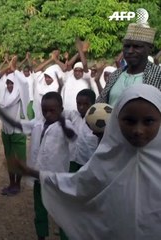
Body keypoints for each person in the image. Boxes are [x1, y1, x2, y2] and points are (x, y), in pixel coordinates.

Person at [17, 84, 161, 239]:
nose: (138, 130)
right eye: (129, 121)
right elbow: (77, 184)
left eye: (148, 121)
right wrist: (32, 172)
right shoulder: (107, 159)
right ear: (116, 121)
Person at [0, 91, 76, 240]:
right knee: (40, 210)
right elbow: (17, 124)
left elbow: (72, 136)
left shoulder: (66, 125)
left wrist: (62, 122)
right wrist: (0, 111)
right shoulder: (37, 123)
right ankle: (41, 235)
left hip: (57, 179)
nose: (48, 114)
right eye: (45, 110)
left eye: (52, 111)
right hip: (38, 178)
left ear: (61, 110)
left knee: (62, 213)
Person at [97, 22, 161, 105]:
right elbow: (100, 106)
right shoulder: (115, 76)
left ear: (150, 49)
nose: (130, 51)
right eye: (127, 46)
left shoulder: (158, 75)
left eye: (137, 46)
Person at [0, 58, 30, 196]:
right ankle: (11, 183)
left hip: (17, 131)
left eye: (12, 83)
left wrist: (14, 69)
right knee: (9, 158)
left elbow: (23, 82)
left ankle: (17, 184)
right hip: (6, 130)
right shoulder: (3, 94)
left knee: (20, 158)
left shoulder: (21, 94)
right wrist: (7, 68)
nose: (10, 85)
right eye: (8, 83)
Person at [64, 89, 98, 172]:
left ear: (93, 104)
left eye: (86, 104)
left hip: (88, 162)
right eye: (78, 104)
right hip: (72, 159)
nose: (81, 107)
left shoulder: (97, 121)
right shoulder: (73, 115)